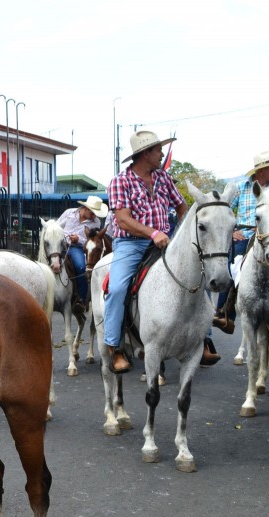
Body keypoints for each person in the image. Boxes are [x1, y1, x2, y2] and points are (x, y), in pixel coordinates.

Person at [104, 130, 193, 374]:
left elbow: (181, 206)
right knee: (118, 288)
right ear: (145, 154)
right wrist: (152, 233)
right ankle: (115, 346)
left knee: (196, 274)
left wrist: (183, 233)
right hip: (131, 245)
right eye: (157, 150)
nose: (161, 154)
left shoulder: (163, 177)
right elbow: (122, 220)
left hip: (166, 242)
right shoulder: (120, 181)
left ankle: (203, 338)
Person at [214, 150, 269, 333]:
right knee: (233, 264)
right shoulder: (241, 188)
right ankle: (224, 313)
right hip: (246, 236)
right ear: (262, 171)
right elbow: (222, 213)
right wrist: (232, 232)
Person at [57, 196, 108, 311]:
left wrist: (78, 239)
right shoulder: (69, 213)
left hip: (76, 247)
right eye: (93, 213)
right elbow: (57, 226)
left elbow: (92, 242)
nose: (94, 216)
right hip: (60, 244)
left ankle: (81, 299)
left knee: (81, 267)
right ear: (86, 208)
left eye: (96, 214)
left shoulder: (96, 222)